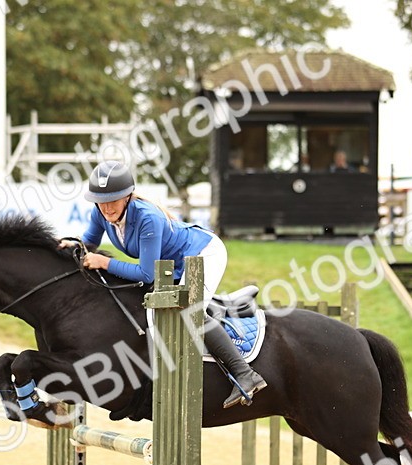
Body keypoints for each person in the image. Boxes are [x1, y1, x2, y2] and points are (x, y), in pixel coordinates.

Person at [63, 160, 266, 408]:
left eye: (112, 200)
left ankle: (245, 374)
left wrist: (104, 263)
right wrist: (70, 246)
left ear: (127, 196)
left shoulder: (148, 217)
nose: (106, 208)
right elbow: (89, 243)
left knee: (191, 311)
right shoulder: (100, 212)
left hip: (204, 253)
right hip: (174, 264)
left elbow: (146, 274)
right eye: (100, 201)